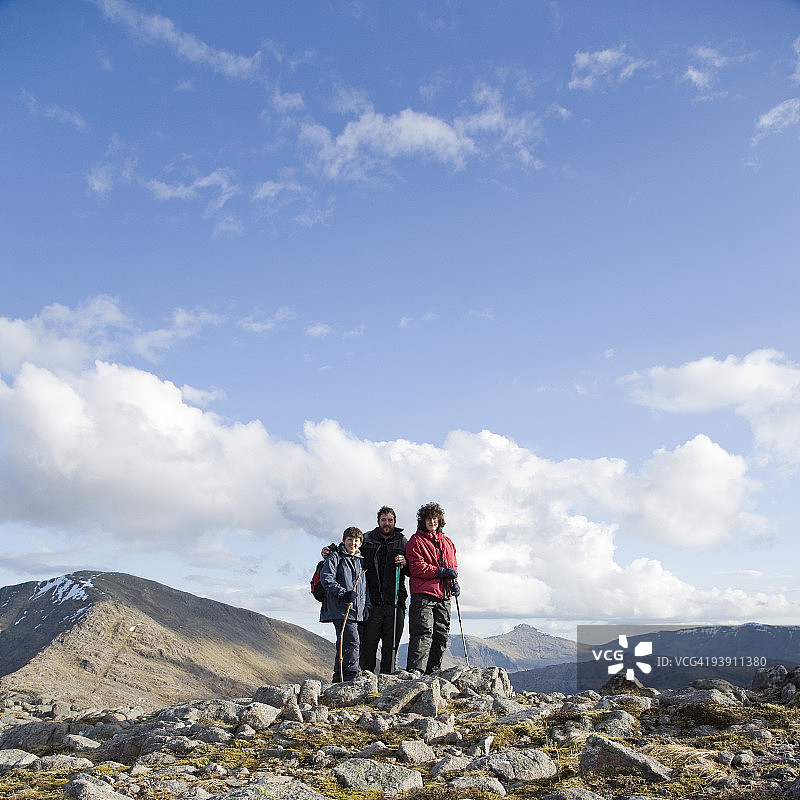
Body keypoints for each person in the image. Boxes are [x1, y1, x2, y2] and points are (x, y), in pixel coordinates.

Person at [405, 501, 459, 676]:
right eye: (428, 519)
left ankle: (434, 671)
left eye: (435, 519)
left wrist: (454, 582)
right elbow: (416, 567)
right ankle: (416, 671)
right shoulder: (416, 541)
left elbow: (454, 566)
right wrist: (441, 571)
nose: (432, 522)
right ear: (423, 521)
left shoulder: (448, 542)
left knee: (441, 634)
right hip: (423, 594)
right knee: (422, 632)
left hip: (444, 595)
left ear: (440, 520)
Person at [359, 506, 409, 674]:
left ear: (395, 521)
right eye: (384, 520)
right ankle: (366, 681)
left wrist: (405, 562)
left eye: (390, 520)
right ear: (378, 521)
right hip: (372, 603)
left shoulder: (402, 541)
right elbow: (348, 550)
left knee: (391, 645)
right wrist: (329, 550)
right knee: (368, 644)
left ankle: (388, 682)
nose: (387, 523)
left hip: (395, 602)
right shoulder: (367, 539)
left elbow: (412, 569)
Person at [319, 527, 369, 682]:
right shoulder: (336, 557)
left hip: (356, 610)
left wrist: (367, 606)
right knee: (352, 640)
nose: (353, 544)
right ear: (344, 541)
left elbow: (364, 587)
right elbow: (326, 578)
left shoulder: (361, 561)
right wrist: (343, 594)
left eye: (356, 541)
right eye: (350, 540)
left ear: (360, 543)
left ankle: (339, 677)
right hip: (341, 608)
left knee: (346, 641)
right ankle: (350, 676)